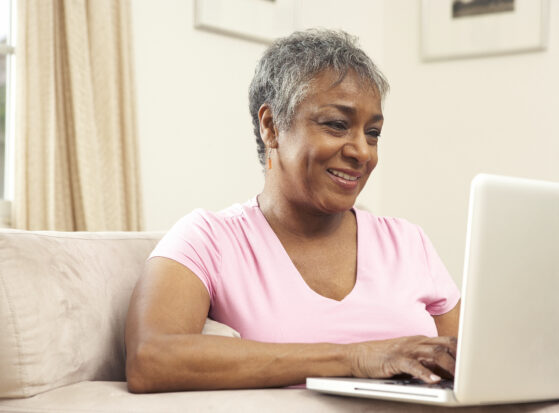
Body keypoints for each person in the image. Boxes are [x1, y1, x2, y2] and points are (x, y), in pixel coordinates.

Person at [125, 29, 461, 393]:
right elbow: (151, 357)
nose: (363, 152)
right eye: (337, 124)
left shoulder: (407, 241)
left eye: (373, 132)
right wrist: (355, 358)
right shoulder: (209, 238)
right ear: (271, 126)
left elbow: (475, 365)